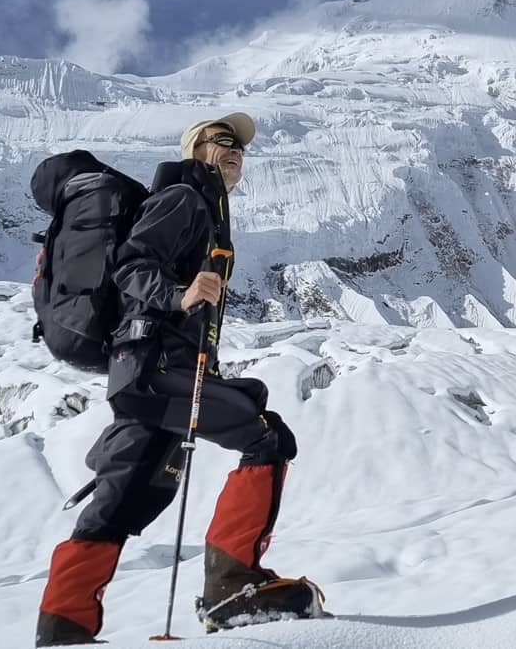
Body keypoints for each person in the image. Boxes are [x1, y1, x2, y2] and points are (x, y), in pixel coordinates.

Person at [35, 113, 320, 646]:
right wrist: (178, 295)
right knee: (266, 436)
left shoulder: (206, 207)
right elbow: (131, 264)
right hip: (158, 369)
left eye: (238, 145)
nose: (234, 149)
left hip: (148, 371)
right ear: (195, 149)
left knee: (127, 495)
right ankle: (233, 591)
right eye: (221, 140)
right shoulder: (185, 199)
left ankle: (62, 627)